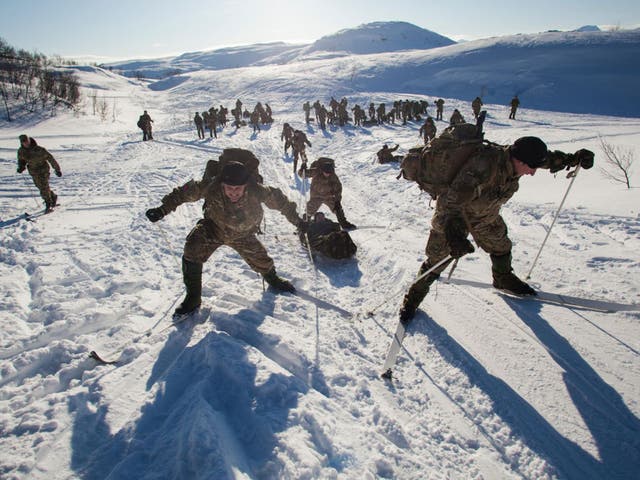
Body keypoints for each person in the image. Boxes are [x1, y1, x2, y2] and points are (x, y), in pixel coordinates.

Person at [398, 136, 595, 323]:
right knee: (437, 260)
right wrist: (454, 236)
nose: (533, 172)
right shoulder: (483, 166)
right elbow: (452, 203)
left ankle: (503, 278)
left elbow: (546, 160)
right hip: (454, 218)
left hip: (485, 216)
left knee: (502, 246)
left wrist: (574, 158)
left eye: (535, 167)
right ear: (518, 159)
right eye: (530, 167)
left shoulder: (519, 159)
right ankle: (412, 300)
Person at [145, 150, 306, 315]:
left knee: (262, 260)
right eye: (229, 188)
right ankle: (193, 298)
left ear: (246, 185)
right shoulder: (210, 186)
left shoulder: (258, 190)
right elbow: (182, 194)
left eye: (238, 188)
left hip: (243, 235)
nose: (233, 192)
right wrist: (161, 210)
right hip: (214, 229)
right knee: (192, 247)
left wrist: (299, 223)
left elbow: (283, 203)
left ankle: (273, 280)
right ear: (222, 184)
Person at [299, 157, 356, 230]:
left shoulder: (333, 176)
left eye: (329, 173)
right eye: (326, 173)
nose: (327, 174)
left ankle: (344, 224)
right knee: (310, 210)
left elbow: (338, 188)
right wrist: (302, 169)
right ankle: (304, 226)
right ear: (322, 170)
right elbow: (302, 175)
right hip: (316, 196)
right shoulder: (316, 171)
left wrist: (337, 201)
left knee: (338, 209)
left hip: (328, 196)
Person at [17, 134, 62, 214]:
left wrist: (57, 169)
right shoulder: (21, 151)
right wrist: (21, 167)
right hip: (33, 172)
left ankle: (49, 204)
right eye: (24, 142)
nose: (26, 143)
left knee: (44, 187)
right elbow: (21, 161)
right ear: (21, 143)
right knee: (40, 187)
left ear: (29, 140)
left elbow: (50, 158)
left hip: (43, 170)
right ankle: (53, 196)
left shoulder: (39, 149)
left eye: (27, 141)